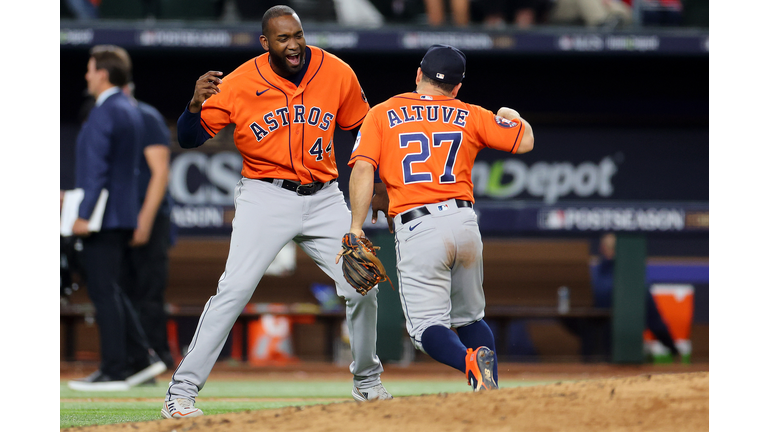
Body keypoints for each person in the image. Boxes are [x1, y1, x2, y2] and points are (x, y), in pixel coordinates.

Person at [162, 5, 391, 419]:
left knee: (363, 284)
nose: (294, 45)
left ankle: (367, 383)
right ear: (265, 42)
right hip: (265, 196)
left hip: (324, 197)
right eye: (283, 38)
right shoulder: (239, 82)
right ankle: (181, 393)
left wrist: (377, 183)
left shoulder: (336, 71)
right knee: (233, 291)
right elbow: (189, 138)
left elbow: (366, 129)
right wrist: (193, 106)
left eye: (298, 35)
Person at [343, 44, 534, 391]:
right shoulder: (470, 113)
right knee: (471, 318)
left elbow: (363, 168)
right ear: (457, 87)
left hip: (419, 227)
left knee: (425, 329)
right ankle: (488, 389)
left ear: (419, 74)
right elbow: (525, 141)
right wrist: (510, 113)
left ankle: (470, 364)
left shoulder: (383, 112)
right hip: (464, 222)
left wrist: (356, 227)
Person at [67, 45, 167, 391]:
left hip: (103, 216)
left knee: (103, 290)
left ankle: (114, 369)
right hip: (121, 213)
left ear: (103, 73)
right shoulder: (129, 108)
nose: (86, 75)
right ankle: (142, 359)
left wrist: (83, 215)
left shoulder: (106, 110)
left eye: (90, 69)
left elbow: (97, 169)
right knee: (111, 287)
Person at [120, 82, 176, 374]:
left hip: (150, 217)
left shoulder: (146, 116)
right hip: (118, 217)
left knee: (149, 292)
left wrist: (144, 220)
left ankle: (158, 358)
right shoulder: (103, 116)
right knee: (121, 291)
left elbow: (161, 172)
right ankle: (129, 359)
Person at [547, 0, 632, 28]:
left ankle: (614, 21)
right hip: (557, 9)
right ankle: (603, 25)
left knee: (614, 5)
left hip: (592, 6)